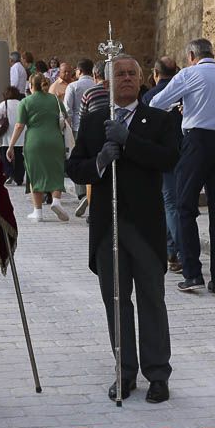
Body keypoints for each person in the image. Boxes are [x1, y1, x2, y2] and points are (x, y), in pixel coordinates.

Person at [66, 54, 179, 403]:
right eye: (120, 74)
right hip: (107, 227)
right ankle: (124, 371)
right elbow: (75, 167)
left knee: (151, 300)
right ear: (108, 82)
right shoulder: (94, 121)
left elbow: (168, 158)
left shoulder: (160, 120)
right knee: (116, 301)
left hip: (144, 226)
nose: (127, 78)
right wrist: (100, 161)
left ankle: (157, 373)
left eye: (132, 73)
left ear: (141, 79)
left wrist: (129, 141)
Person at [149, 38, 215, 294]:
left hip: (196, 141)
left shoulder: (189, 74)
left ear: (191, 55)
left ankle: (192, 273)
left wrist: (182, 107)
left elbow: (157, 102)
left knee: (185, 206)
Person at [8, 73, 70, 222]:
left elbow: (19, 125)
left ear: (30, 86)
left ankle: (38, 212)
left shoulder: (26, 102)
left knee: (35, 173)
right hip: (55, 140)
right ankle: (56, 201)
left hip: (35, 141)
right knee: (56, 169)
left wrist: (11, 146)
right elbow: (66, 120)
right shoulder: (55, 100)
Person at [142, 57, 183, 269]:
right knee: (175, 205)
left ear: (155, 73)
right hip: (183, 154)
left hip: (160, 157)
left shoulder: (149, 96)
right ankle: (171, 253)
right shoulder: (184, 94)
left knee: (170, 205)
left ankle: (181, 252)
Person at [0, 86, 25, 186]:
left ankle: (9, 174)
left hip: (7, 135)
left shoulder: (3, 104)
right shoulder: (22, 104)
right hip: (20, 135)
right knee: (20, 158)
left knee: (5, 156)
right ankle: (19, 178)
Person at [64, 58, 97, 136]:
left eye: (76, 69)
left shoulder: (72, 86)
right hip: (95, 126)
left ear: (80, 71)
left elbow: (68, 110)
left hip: (77, 127)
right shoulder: (96, 85)